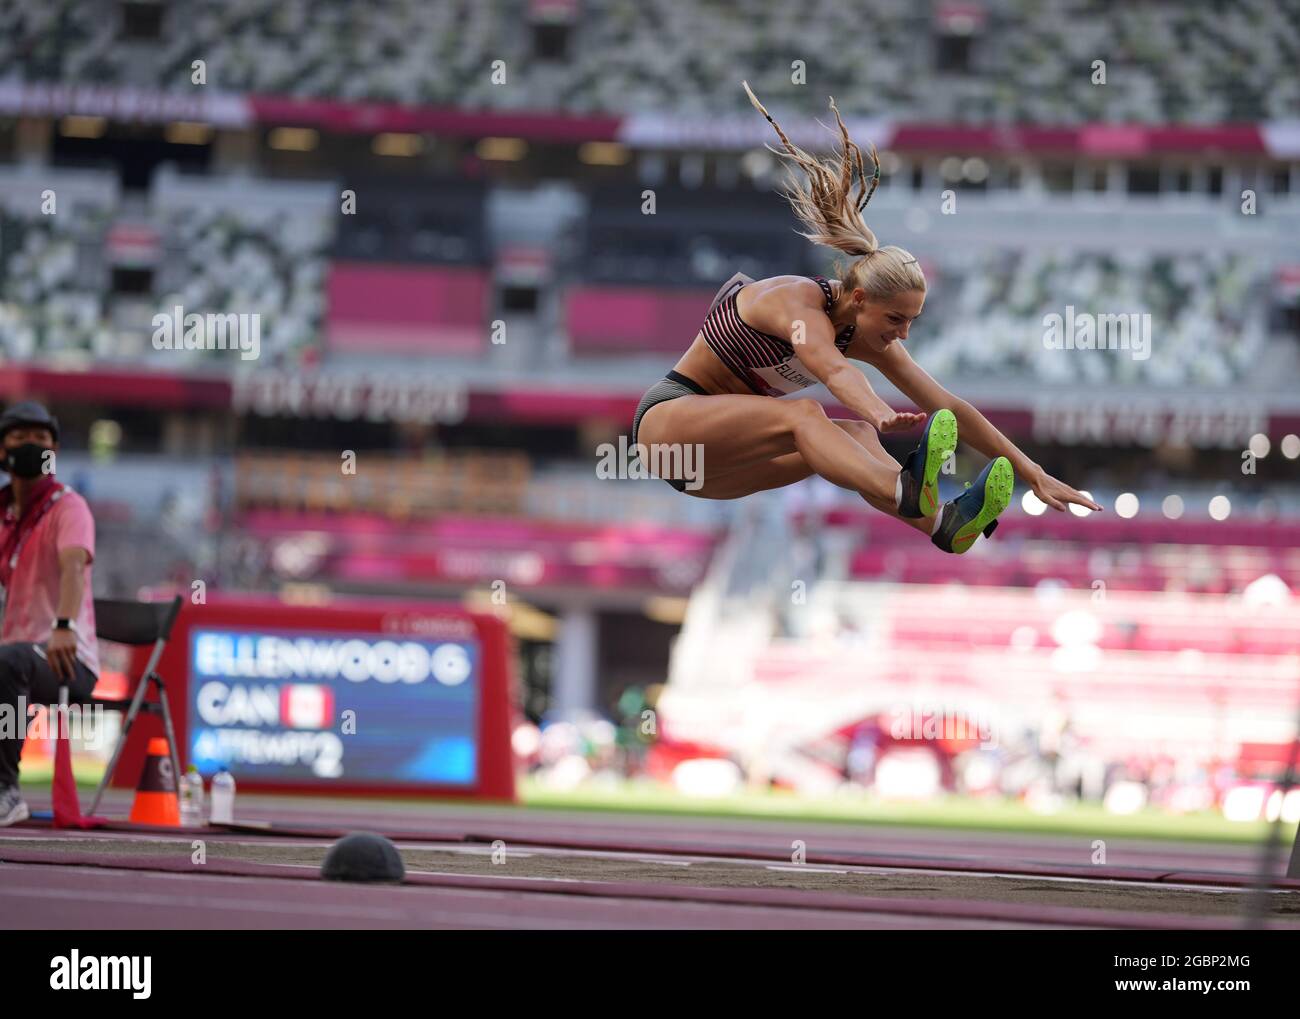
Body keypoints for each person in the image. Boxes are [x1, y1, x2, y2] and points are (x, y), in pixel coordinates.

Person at [632, 83, 1100, 554]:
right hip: (668, 433)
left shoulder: (864, 333)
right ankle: (909, 493)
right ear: (858, 298)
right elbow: (833, 369)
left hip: (711, 477)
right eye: (896, 318)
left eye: (912, 320)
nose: (903, 333)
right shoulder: (795, 303)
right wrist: (880, 412)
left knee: (849, 439)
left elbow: (950, 406)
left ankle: (945, 525)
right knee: (807, 416)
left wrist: (1034, 473)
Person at [0, 401, 100, 826]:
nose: (31, 445)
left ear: (53, 451)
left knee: (10, 662)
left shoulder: (68, 506)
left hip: (66, 658)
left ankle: (6, 790)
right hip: (12, 656)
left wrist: (64, 626)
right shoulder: (2, 512)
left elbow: (74, 565)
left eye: (41, 439)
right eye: (20, 437)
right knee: (8, 661)